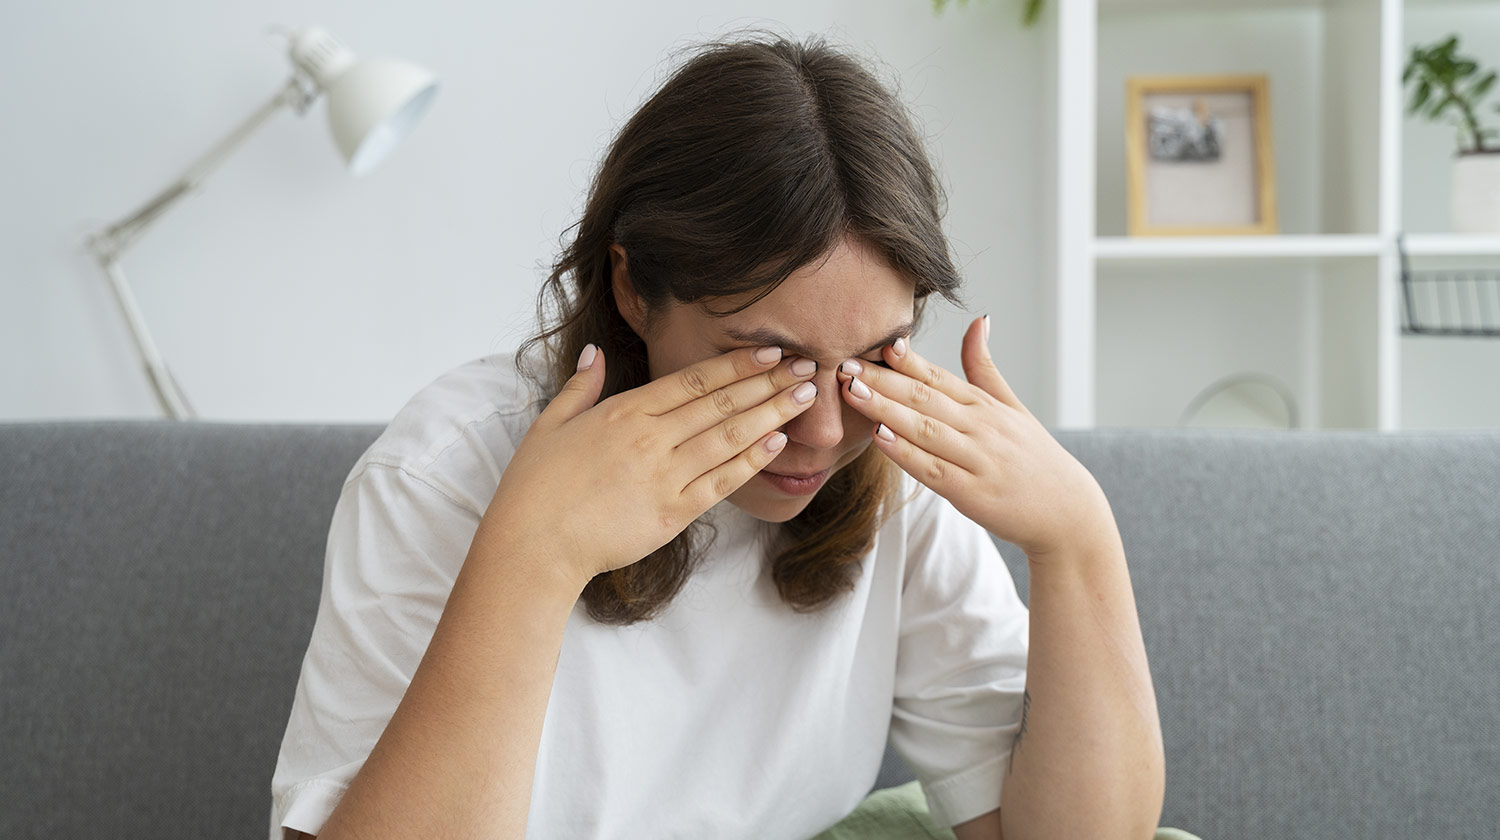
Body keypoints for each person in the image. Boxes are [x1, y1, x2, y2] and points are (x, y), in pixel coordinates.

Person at [269, 29, 1164, 840]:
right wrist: (534, 558)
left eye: (873, 354)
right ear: (631, 292)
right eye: (770, 359)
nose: (822, 428)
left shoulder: (893, 474)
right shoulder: (439, 478)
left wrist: (1079, 539)